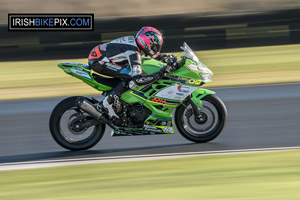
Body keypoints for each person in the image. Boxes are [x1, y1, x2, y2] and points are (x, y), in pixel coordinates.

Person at [88, 26, 177, 119]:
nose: (156, 49)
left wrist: (164, 57)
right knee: (131, 77)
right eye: (154, 47)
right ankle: (106, 103)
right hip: (99, 62)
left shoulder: (134, 43)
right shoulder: (133, 52)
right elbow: (138, 79)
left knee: (128, 73)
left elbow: (147, 56)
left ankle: (119, 99)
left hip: (100, 57)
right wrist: (159, 74)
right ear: (146, 42)